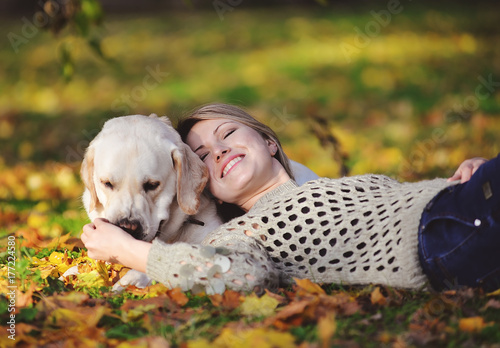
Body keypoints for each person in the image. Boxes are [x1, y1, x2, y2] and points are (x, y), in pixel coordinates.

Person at [81, 103, 500, 295]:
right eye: (205, 157)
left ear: (267, 141)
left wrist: (459, 178)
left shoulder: (316, 188)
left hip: (460, 207)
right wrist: (132, 251)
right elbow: (238, 276)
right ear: (205, 186)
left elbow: (393, 203)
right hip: (446, 236)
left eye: (227, 134)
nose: (220, 151)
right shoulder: (250, 228)